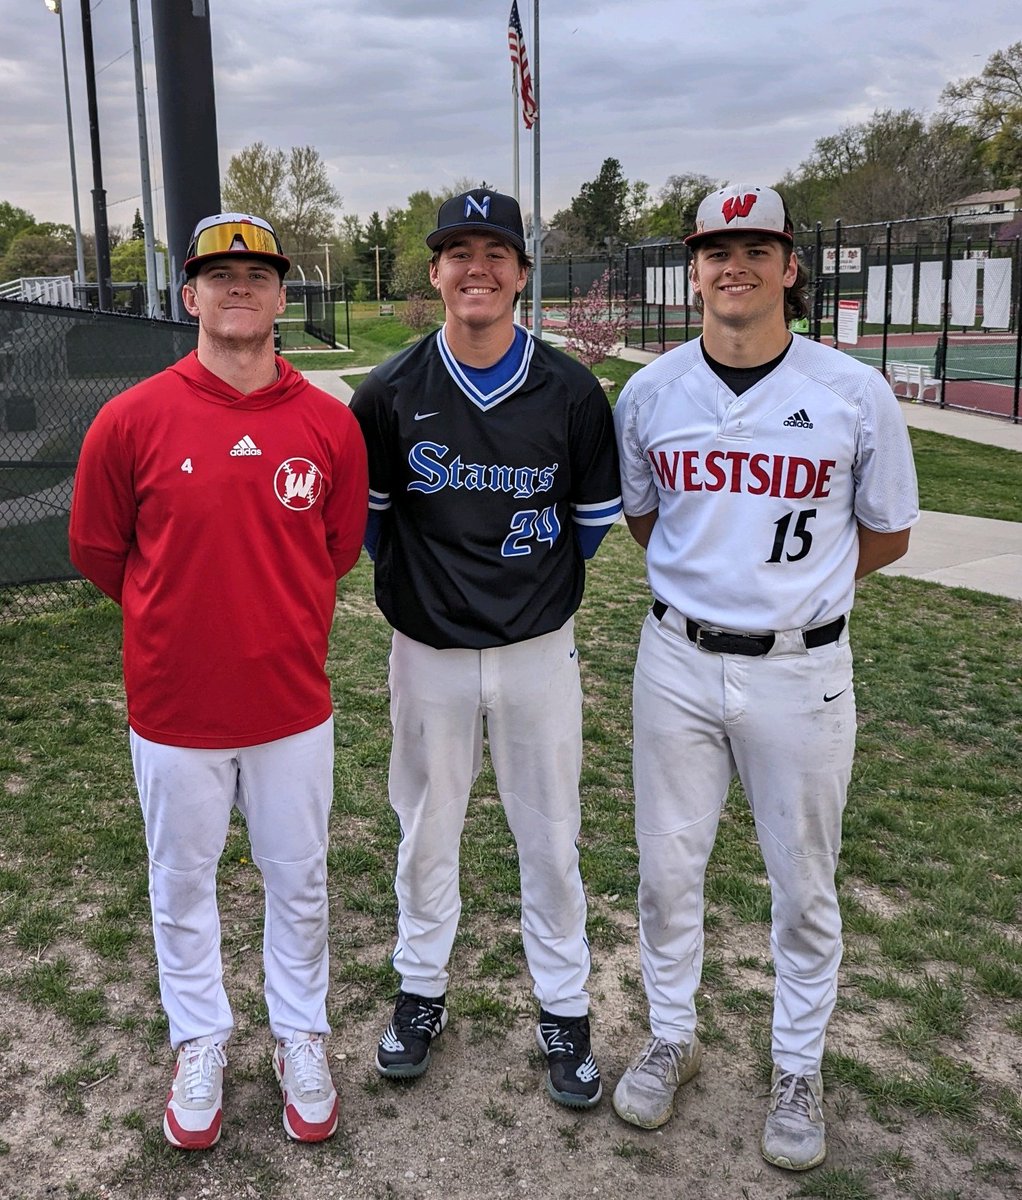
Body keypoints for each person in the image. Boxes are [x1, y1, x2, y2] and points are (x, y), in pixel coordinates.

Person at [611, 184, 919, 1170]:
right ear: (691, 269)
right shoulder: (650, 392)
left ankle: (795, 1065)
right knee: (665, 873)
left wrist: (794, 594)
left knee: (803, 886)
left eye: (753, 248)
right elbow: (645, 518)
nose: (731, 265)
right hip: (675, 661)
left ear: (790, 266)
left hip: (800, 670)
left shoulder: (850, 391)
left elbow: (887, 533)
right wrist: (715, 588)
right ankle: (668, 1035)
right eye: (713, 250)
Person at [68, 212, 369, 1150]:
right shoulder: (131, 418)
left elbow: (338, 548)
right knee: (181, 883)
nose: (239, 286)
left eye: (259, 273)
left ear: (284, 296)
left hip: (288, 705)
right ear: (188, 295)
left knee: (300, 881)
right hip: (174, 707)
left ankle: (299, 1035)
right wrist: (181, 621)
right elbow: (99, 550)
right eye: (218, 273)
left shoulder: (327, 423)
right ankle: (199, 1036)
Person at [349, 187, 622, 1109]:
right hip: (427, 650)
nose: (477, 266)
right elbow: (377, 530)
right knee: (427, 833)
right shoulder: (386, 393)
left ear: (520, 273)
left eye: (496, 251)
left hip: (539, 649)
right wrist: (441, 597)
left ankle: (565, 1008)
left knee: (549, 835)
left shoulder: (573, 392)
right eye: (458, 251)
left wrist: (516, 596)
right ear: (434, 273)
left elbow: (585, 529)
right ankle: (421, 992)